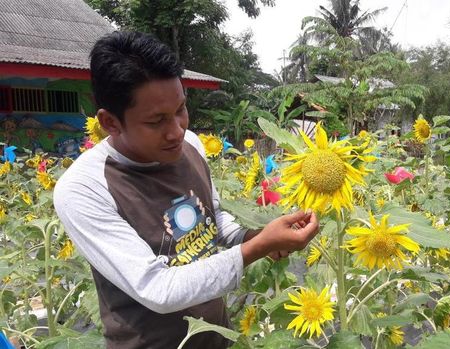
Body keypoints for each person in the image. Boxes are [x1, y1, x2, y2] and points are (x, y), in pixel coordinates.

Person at [53, 31, 319, 349]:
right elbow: (158, 289)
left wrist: (256, 237)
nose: (176, 130)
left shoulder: (190, 144)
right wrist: (256, 248)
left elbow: (213, 220)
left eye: (181, 109)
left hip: (217, 336)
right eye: (157, 121)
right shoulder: (84, 188)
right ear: (110, 122)